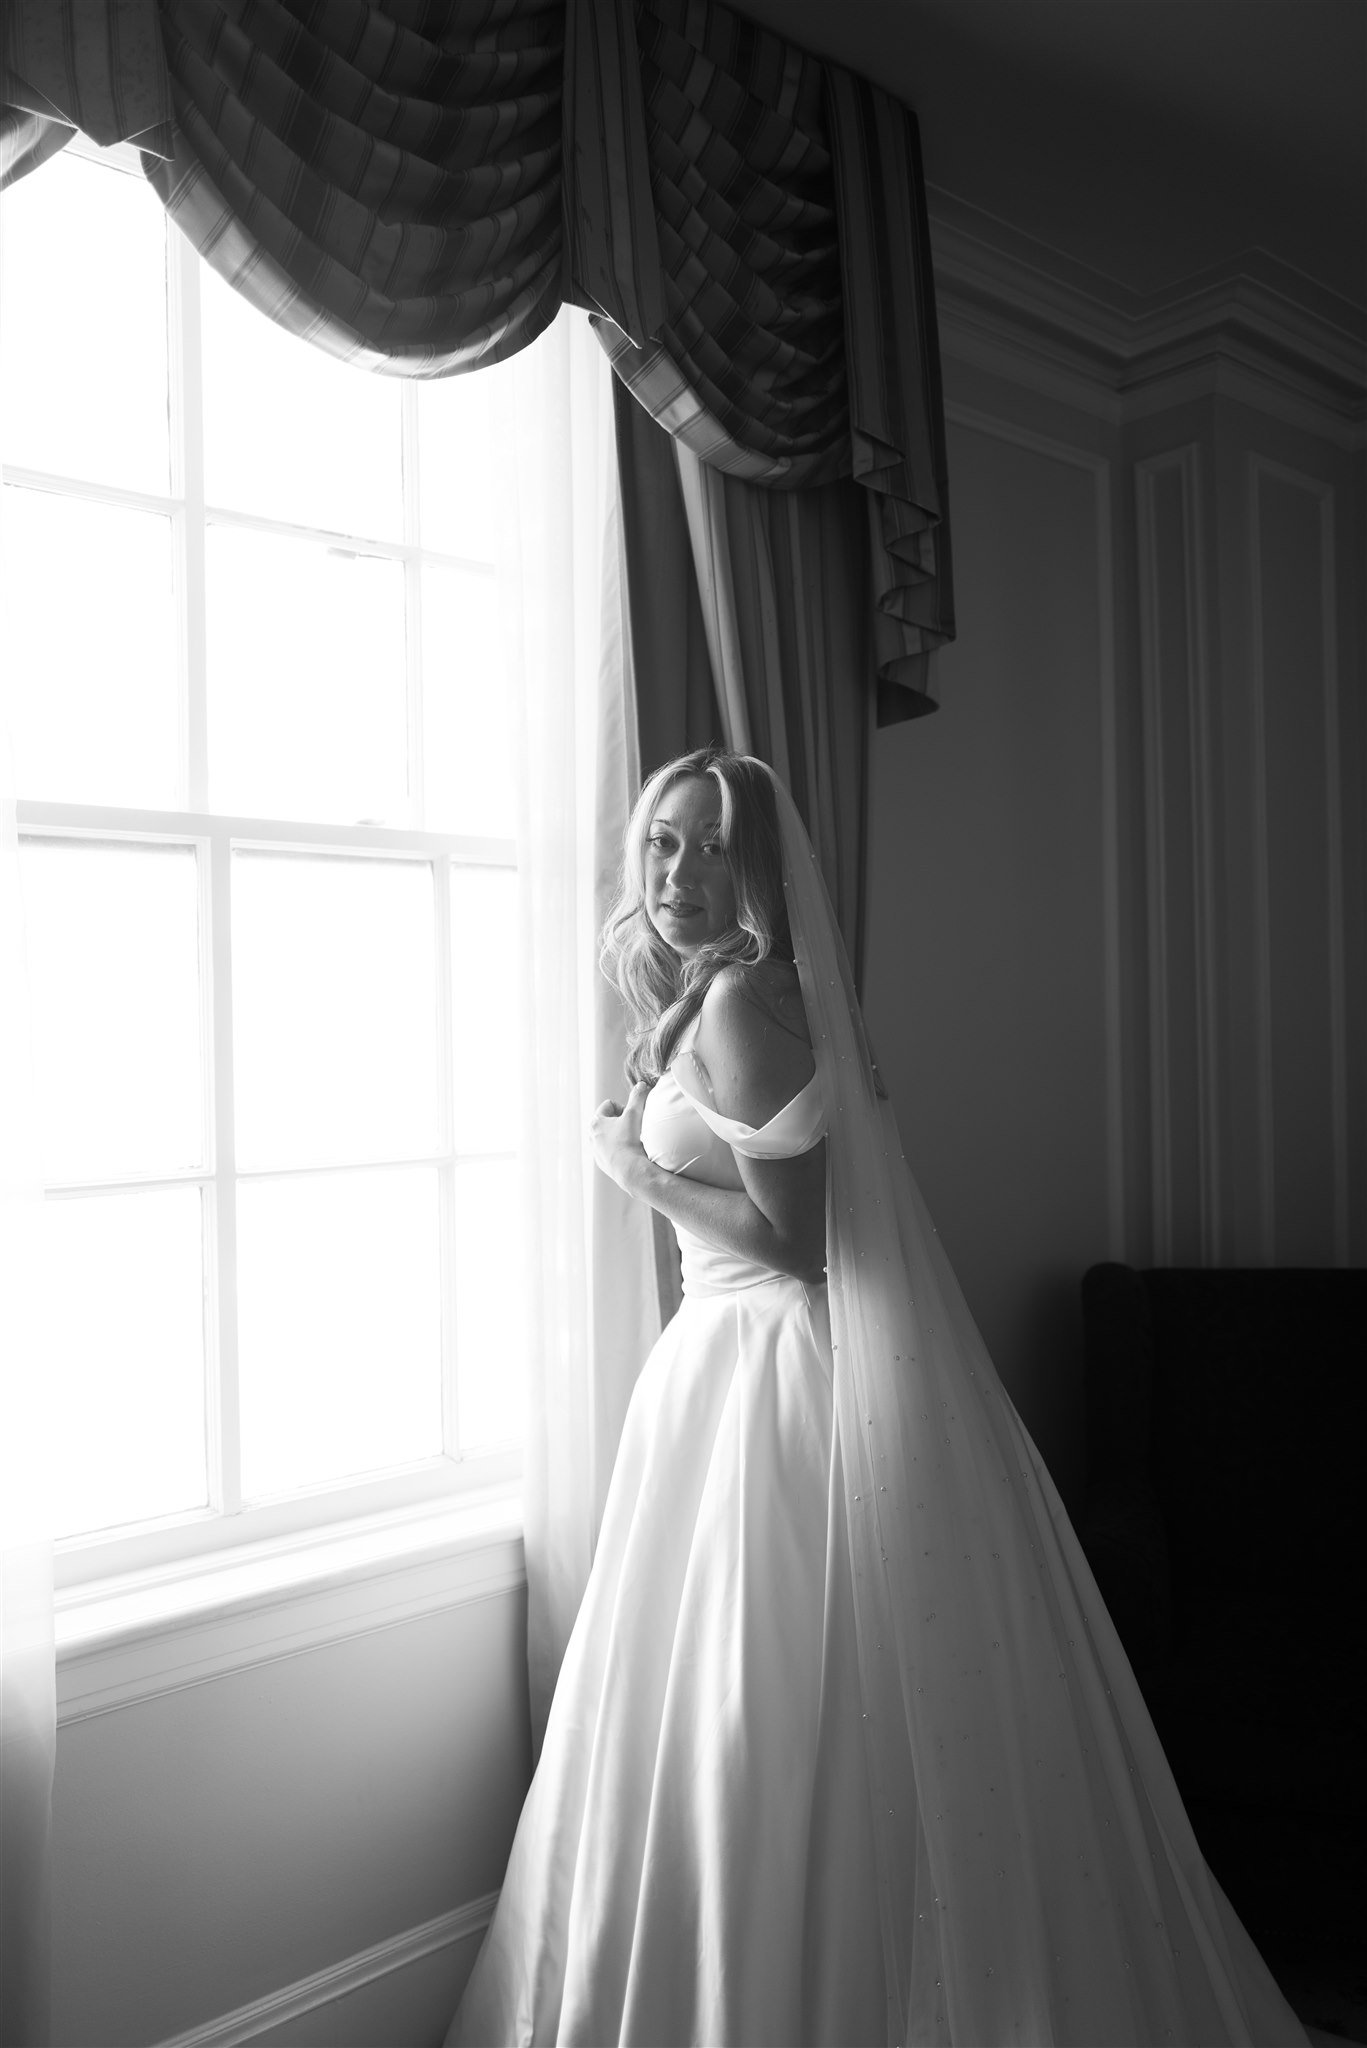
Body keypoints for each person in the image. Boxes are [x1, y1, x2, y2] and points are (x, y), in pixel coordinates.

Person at [448, 749, 1306, 2048]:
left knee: (764, 1709)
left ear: (761, 866)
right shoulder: (727, 994)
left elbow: (799, 1240)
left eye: (713, 847)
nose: (681, 873)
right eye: (663, 845)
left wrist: (636, 1175)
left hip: (768, 1370)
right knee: (754, 1706)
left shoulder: (743, 1001)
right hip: (728, 1365)